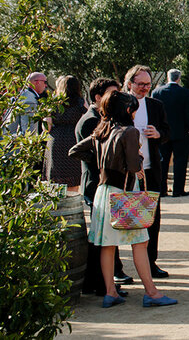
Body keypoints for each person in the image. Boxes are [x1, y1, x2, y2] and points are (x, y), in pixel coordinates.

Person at [68, 90, 177, 308]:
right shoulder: (129, 132)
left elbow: (74, 151)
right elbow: (135, 166)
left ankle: (110, 292)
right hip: (125, 193)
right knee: (140, 242)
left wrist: (100, 162)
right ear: (128, 110)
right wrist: (134, 160)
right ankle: (151, 292)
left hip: (103, 191)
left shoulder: (101, 130)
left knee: (107, 245)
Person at [75, 77, 121, 296]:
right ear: (97, 97)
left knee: (103, 237)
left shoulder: (100, 117)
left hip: (102, 184)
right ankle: (98, 284)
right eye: (112, 93)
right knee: (100, 239)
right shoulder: (91, 120)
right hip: (96, 184)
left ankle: (101, 283)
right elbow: (80, 151)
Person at [124, 65, 171, 278]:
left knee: (152, 218)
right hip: (126, 172)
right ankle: (117, 268)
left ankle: (151, 263)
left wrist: (158, 133)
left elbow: (168, 132)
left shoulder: (155, 105)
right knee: (122, 218)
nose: (144, 88)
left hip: (151, 170)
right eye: (141, 84)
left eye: (148, 84)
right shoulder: (120, 103)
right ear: (130, 83)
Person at [152, 69, 189, 198]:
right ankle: (178, 190)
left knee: (162, 162)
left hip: (162, 133)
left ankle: (161, 189)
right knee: (180, 162)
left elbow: (153, 113)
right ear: (178, 78)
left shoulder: (156, 92)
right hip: (181, 133)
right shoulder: (185, 93)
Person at [44, 74, 85, 191]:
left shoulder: (53, 102)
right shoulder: (80, 102)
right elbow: (86, 119)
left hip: (56, 139)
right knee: (73, 177)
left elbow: (47, 127)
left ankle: (57, 205)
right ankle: (72, 204)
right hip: (73, 139)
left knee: (56, 178)